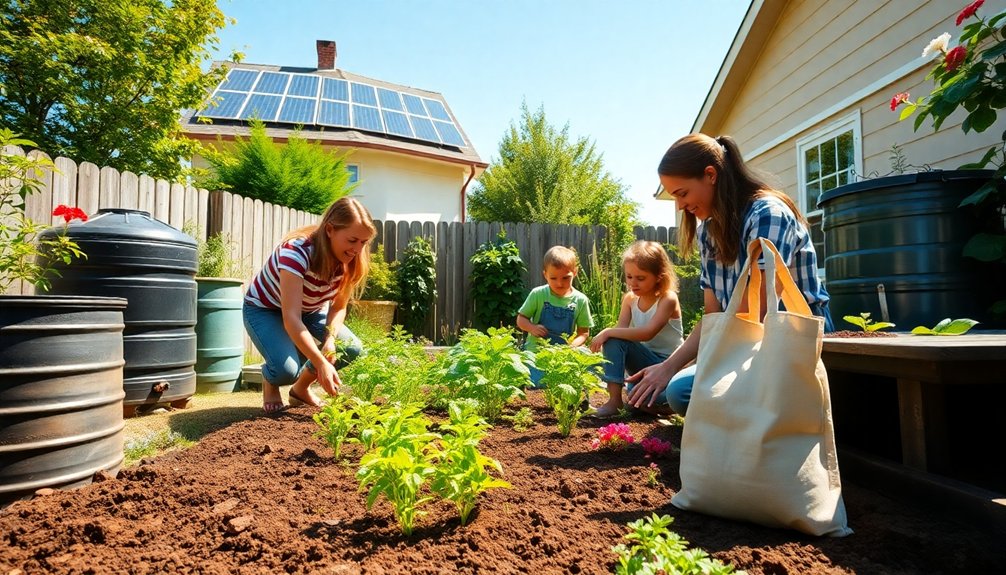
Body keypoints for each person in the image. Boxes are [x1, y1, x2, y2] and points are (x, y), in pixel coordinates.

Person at [626, 133, 834, 415]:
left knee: (680, 391)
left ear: (710, 175)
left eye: (682, 193)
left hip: (790, 339)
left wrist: (692, 369)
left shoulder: (767, 214)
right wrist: (667, 367)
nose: (680, 206)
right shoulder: (707, 233)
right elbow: (713, 318)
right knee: (659, 386)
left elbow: (756, 313)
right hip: (742, 343)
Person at [243, 197, 376, 414]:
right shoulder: (296, 252)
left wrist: (330, 340)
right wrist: (321, 363)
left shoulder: (352, 260)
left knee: (349, 348)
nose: (357, 249)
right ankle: (270, 378)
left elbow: (338, 307)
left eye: (364, 242)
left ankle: (300, 390)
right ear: (330, 230)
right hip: (265, 309)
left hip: (310, 310)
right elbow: (291, 318)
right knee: (286, 371)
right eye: (352, 240)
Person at [588, 240, 683, 417]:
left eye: (641, 278)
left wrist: (607, 331)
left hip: (668, 367)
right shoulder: (630, 299)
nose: (633, 283)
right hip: (642, 366)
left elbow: (647, 333)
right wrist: (609, 337)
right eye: (629, 276)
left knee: (657, 398)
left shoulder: (667, 299)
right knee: (614, 340)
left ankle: (661, 404)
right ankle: (615, 401)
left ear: (659, 277)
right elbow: (620, 336)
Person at [516, 245, 594, 387]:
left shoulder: (580, 300)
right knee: (537, 384)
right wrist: (532, 328)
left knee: (581, 373)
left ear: (575, 272)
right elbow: (521, 319)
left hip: (563, 355)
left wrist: (573, 346)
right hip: (537, 354)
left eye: (566, 278)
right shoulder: (538, 294)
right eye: (553, 278)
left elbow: (584, 332)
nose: (559, 283)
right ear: (545, 275)